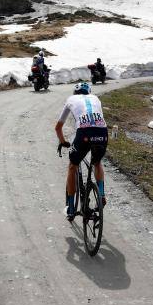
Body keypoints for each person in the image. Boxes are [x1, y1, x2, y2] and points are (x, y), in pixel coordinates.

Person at [55, 81, 108, 220]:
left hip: (84, 133)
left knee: (73, 166)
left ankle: (71, 208)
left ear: (75, 93)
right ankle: (101, 195)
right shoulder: (96, 98)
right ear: (89, 92)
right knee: (97, 162)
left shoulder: (70, 99)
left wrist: (63, 142)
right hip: (102, 133)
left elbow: (58, 127)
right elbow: (98, 119)